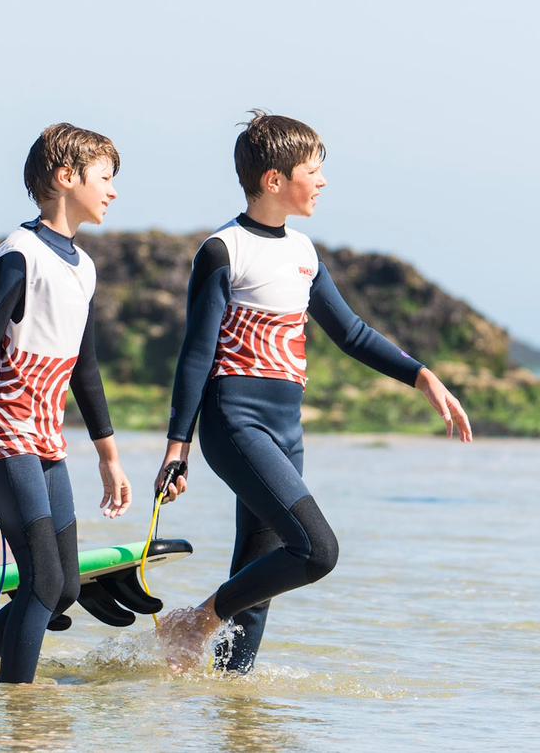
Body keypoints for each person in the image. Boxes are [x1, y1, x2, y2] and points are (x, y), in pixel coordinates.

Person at [154, 111, 472, 673]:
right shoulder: (224, 250)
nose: (322, 181)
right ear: (274, 179)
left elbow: (350, 332)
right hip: (235, 422)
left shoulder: (302, 252)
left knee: (260, 581)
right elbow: (197, 354)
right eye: (313, 170)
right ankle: (196, 622)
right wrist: (178, 448)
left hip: (285, 428)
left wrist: (422, 375)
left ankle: (237, 715)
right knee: (317, 550)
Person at [0, 123, 132, 683]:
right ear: (66, 178)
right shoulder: (18, 255)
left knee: (64, 585)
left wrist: (109, 454)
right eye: (105, 178)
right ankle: (18, 709)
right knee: (43, 583)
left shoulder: (83, 267)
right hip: (1, 430)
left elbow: (85, 369)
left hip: (46, 434)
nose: (113, 191)